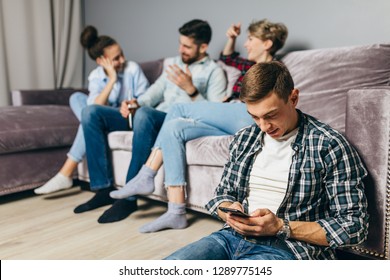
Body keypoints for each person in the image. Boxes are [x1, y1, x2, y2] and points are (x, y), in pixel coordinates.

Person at [163, 61, 369, 260]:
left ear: (293, 98)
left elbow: (353, 226)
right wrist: (229, 212)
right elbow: (222, 195)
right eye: (254, 117)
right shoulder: (244, 138)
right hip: (230, 237)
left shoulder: (329, 145)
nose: (263, 127)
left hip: (290, 248)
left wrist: (280, 226)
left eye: (271, 115)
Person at [109, 19, 288, 232]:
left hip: (245, 114)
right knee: (175, 127)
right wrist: (231, 38)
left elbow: (271, 101)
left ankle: (147, 174)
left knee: (178, 109)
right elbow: (227, 57)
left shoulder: (274, 69)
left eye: (250, 39)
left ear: (267, 44)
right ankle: (176, 212)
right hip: (230, 116)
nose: (246, 44)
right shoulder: (247, 65)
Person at [74, 19, 227, 223]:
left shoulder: (214, 72)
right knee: (91, 112)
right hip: (151, 117)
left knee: (145, 114)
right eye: (180, 43)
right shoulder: (173, 64)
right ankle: (102, 189)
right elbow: (151, 95)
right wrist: (134, 103)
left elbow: (215, 113)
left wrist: (191, 89)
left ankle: (128, 199)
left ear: (204, 46)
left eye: (187, 46)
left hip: (175, 121)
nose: (181, 49)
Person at [34, 26, 149, 195]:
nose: (123, 59)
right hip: (102, 115)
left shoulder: (132, 68)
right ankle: (91, 127)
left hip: (126, 116)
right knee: (76, 98)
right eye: (116, 58)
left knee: (89, 115)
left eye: (122, 53)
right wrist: (112, 80)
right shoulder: (95, 76)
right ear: (101, 61)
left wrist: (133, 103)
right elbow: (95, 106)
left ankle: (65, 172)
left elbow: (147, 100)